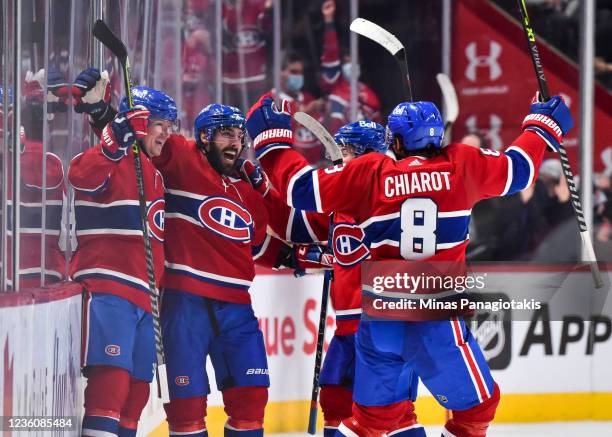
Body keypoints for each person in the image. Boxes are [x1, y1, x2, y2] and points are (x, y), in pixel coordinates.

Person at [246, 91, 573, 436]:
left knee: (373, 419)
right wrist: (541, 125)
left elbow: (299, 188)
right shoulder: (462, 163)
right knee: (478, 408)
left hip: (379, 310)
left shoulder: (368, 172)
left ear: (396, 141)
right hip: (434, 309)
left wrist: (272, 141)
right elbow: (519, 170)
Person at [263, 120, 426, 436]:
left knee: (394, 414)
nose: (337, 160)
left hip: (386, 327)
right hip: (349, 328)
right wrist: (261, 187)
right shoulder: (341, 199)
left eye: (346, 152)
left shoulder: (394, 199)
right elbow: (293, 226)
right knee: (336, 400)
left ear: (368, 155)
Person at [68, 85, 177, 437]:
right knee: (110, 388)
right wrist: (113, 137)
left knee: (136, 394)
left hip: (147, 301)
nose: (168, 133)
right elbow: (79, 176)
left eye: (170, 124)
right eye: (160, 123)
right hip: (109, 291)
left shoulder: (154, 173)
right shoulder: (110, 159)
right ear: (140, 122)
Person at [319, 0, 382, 133]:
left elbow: (379, 130)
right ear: (340, 66)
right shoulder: (334, 86)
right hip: (338, 150)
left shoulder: (370, 95)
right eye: (347, 62)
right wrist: (329, 21)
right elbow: (331, 52)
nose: (352, 66)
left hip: (364, 151)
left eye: (355, 61)